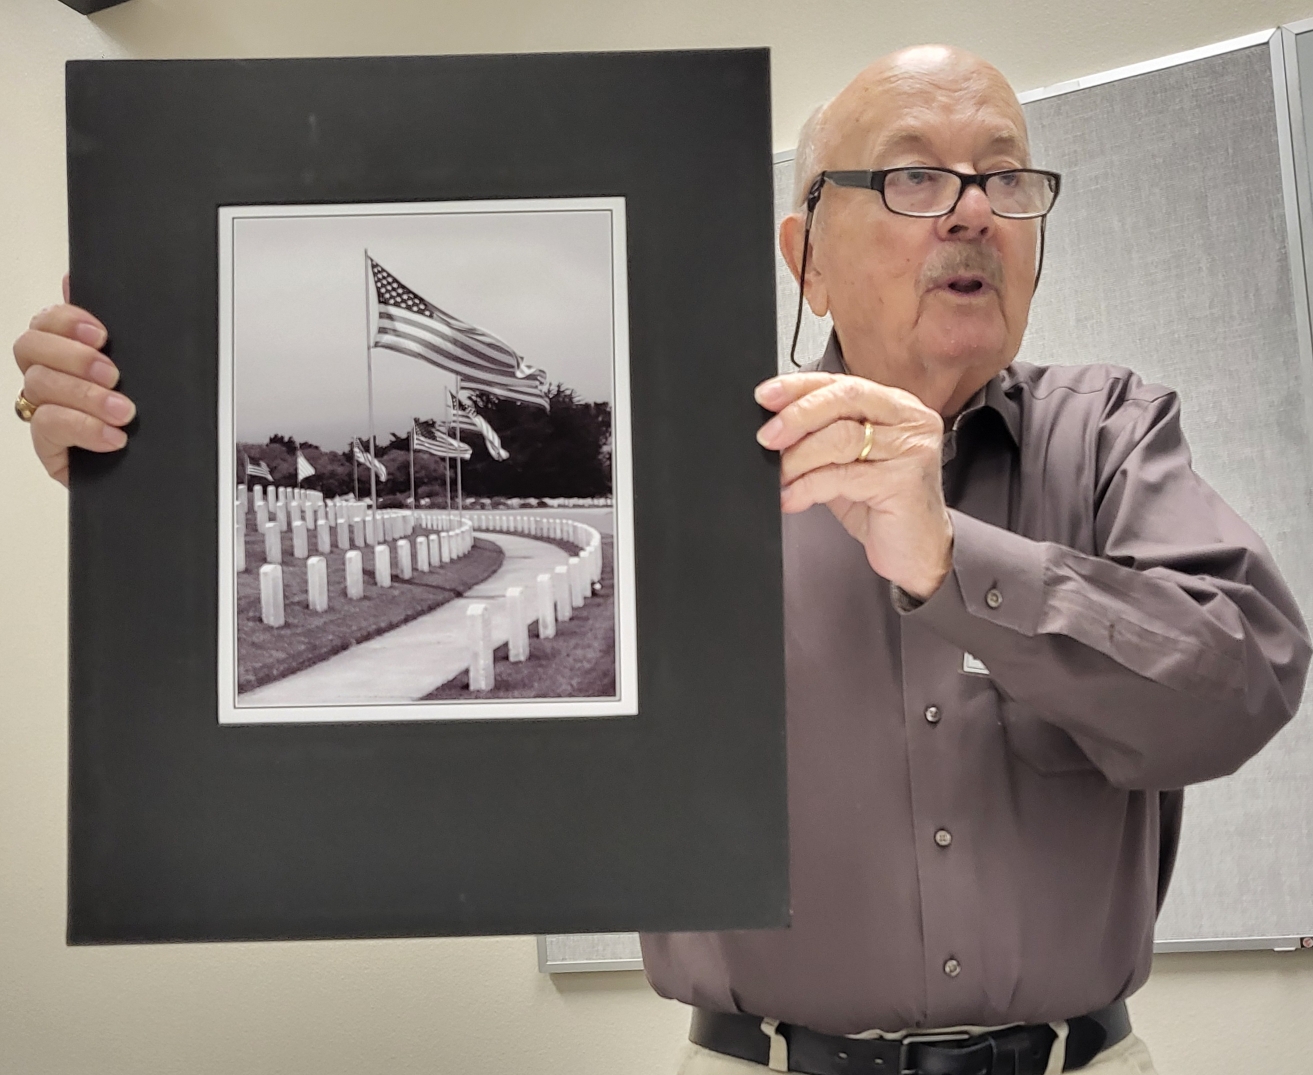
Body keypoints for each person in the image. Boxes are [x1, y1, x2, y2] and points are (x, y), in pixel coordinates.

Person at [11, 43, 1310, 1075]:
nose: (969, 212)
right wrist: (154, 459)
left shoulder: (1111, 429)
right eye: (911, 177)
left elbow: (1240, 688)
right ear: (801, 253)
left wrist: (949, 555)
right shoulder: (674, 463)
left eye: (1005, 177)